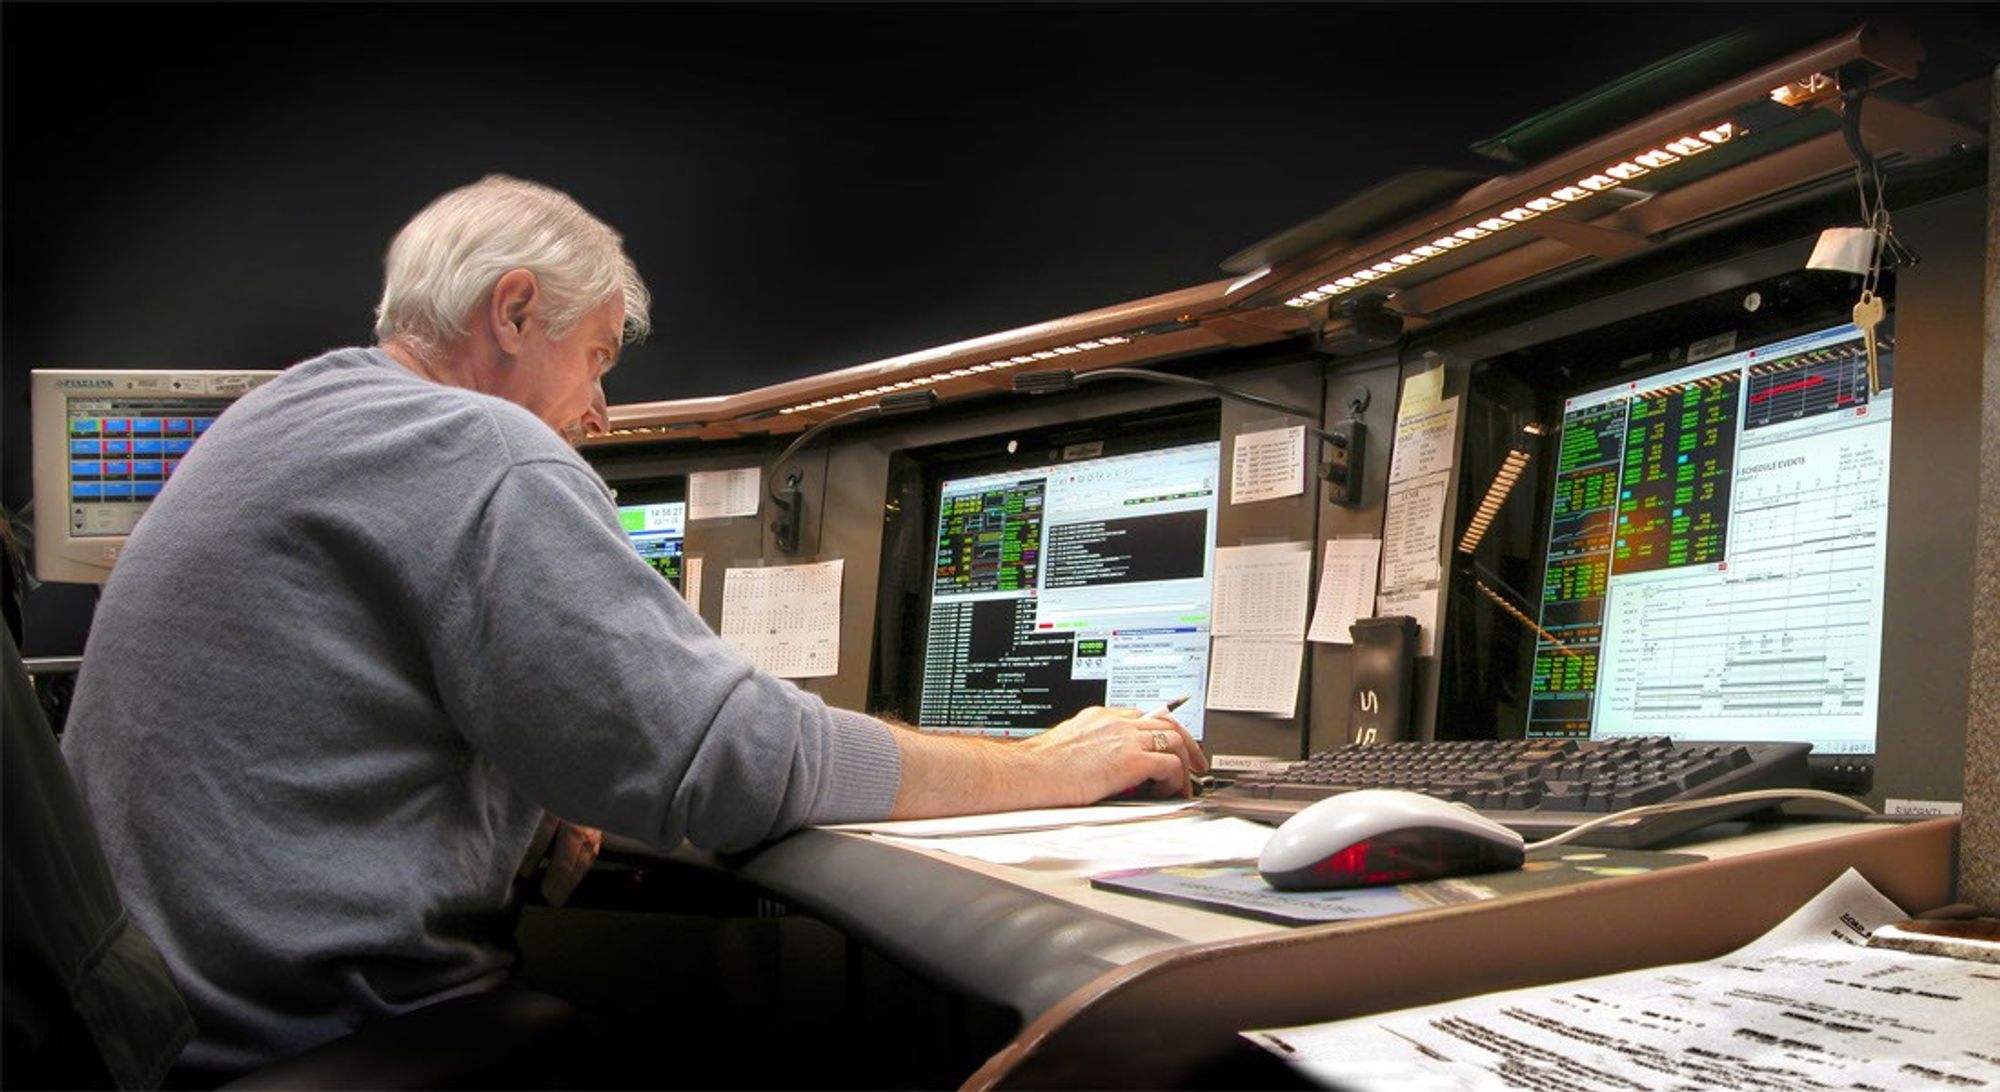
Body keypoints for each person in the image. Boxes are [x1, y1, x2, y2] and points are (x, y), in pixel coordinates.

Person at [59, 174, 1204, 1078]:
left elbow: (336, 721)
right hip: (310, 1033)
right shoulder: (474, 448)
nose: (600, 411)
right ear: (514, 310)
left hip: (163, 1023)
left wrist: (525, 799)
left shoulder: (290, 417)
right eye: (597, 356)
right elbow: (729, 759)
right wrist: (1039, 763)